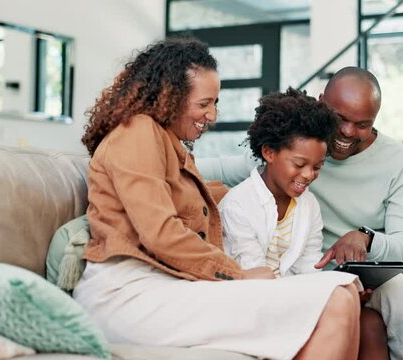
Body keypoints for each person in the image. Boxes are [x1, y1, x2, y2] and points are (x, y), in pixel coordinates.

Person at [197, 66, 403, 360]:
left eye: (362, 124)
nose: (346, 132)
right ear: (321, 102)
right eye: (339, 118)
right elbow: (207, 167)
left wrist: (366, 239)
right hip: (335, 287)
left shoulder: (399, 160)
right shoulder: (293, 149)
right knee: (398, 292)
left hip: (385, 281)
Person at [72, 38, 363, 360]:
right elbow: (160, 232)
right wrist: (239, 275)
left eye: (215, 103)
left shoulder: (169, 145)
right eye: (203, 103)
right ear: (170, 96)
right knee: (336, 295)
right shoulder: (138, 132)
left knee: (345, 290)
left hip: (166, 286)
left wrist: (259, 194)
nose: (212, 115)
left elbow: (202, 198)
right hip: (127, 294)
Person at [219, 87, 335, 277]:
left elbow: (309, 265)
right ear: (269, 152)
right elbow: (253, 272)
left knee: (349, 287)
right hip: (251, 295)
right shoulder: (237, 204)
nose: (308, 175)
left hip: (291, 293)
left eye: (317, 167)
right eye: (299, 164)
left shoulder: (309, 204)